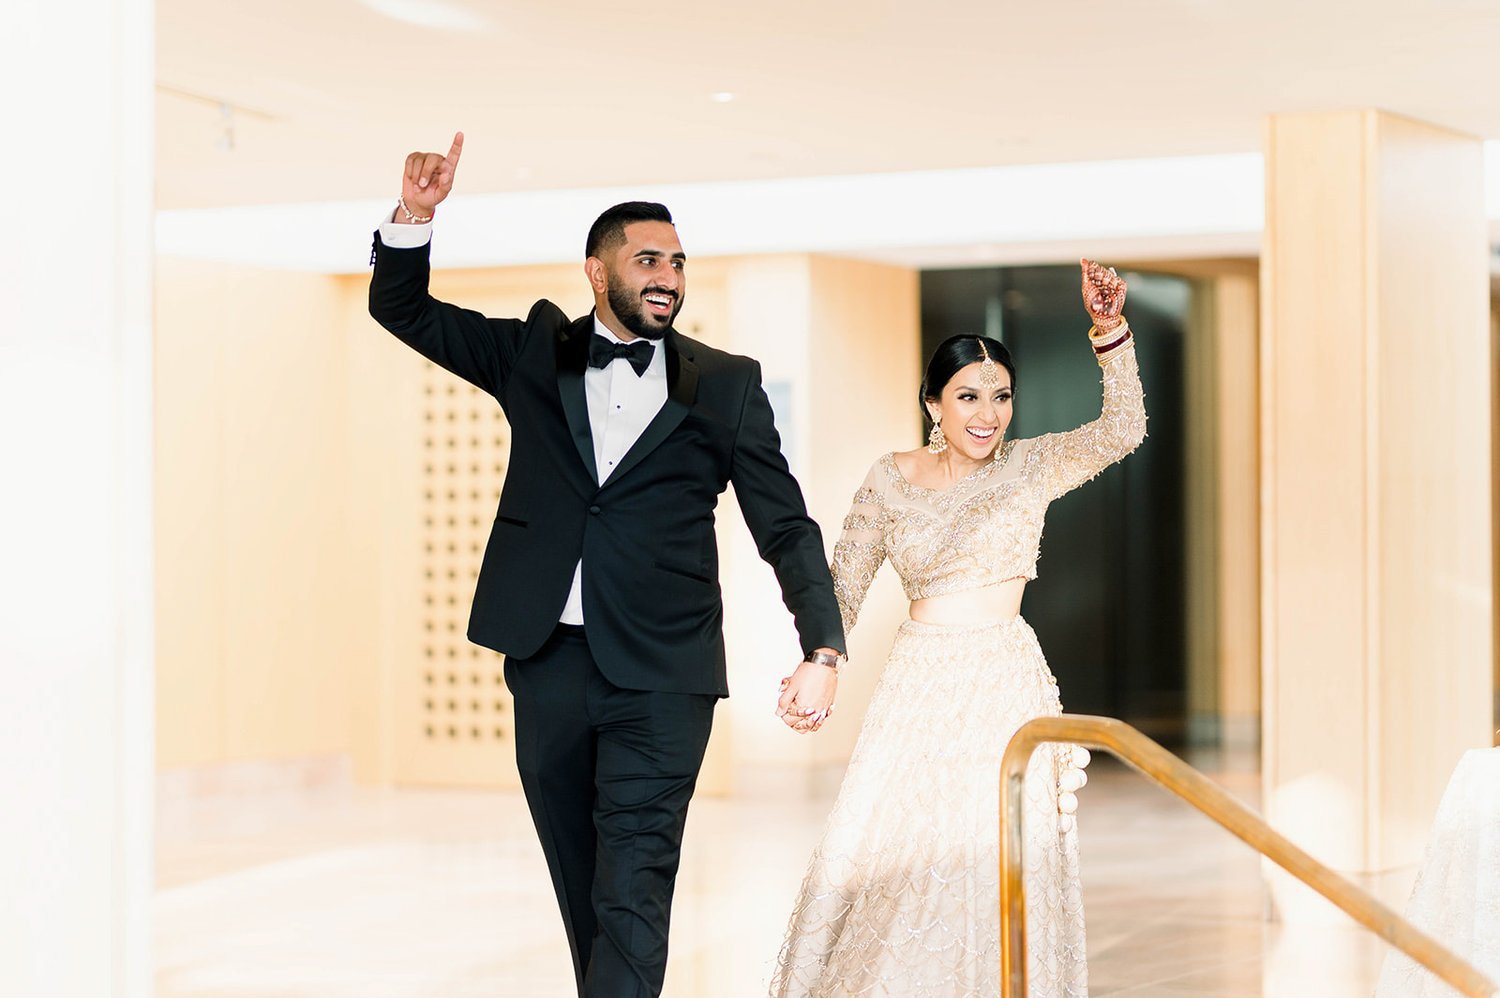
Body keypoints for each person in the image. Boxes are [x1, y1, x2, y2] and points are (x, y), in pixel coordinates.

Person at [367, 133, 846, 998]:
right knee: (582, 882)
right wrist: (414, 218)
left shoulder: (727, 385)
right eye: (648, 258)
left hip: (665, 673)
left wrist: (823, 647)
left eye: (679, 261)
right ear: (598, 271)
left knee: (635, 885)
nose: (668, 275)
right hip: (548, 659)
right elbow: (406, 314)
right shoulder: (530, 356)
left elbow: (787, 525)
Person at [769, 260, 1146, 997]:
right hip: (919, 685)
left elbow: (1123, 429)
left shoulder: (1032, 466)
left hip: (1004, 679)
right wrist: (819, 662)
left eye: (1001, 396)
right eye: (968, 395)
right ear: (933, 404)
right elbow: (841, 583)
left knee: (1001, 846)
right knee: (895, 851)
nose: (988, 413)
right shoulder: (890, 477)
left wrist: (1108, 332)